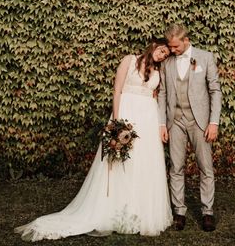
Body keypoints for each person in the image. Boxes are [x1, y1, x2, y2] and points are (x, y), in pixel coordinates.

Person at [14, 39, 173, 241]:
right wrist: (117, 122)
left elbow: (156, 97)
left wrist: (159, 123)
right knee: (120, 163)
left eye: (166, 54)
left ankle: (139, 213)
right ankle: (114, 210)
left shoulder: (159, 72)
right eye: (162, 51)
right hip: (127, 115)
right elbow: (117, 90)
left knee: (143, 165)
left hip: (147, 121)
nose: (163, 55)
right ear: (152, 46)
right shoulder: (129, 60)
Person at [158, 24, 222, 232]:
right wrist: (161, 123)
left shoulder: (205, 57)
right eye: (171, 47)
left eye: (176, 47)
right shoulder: (167, 63)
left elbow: (215, 91)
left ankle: (207, 212)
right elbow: (162, 93)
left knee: (206, 167)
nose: (172, 50)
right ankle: (179, 211)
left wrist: (213, 122)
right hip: (175, 121)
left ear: (186, 40)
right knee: (176, 167)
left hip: (199, 122)